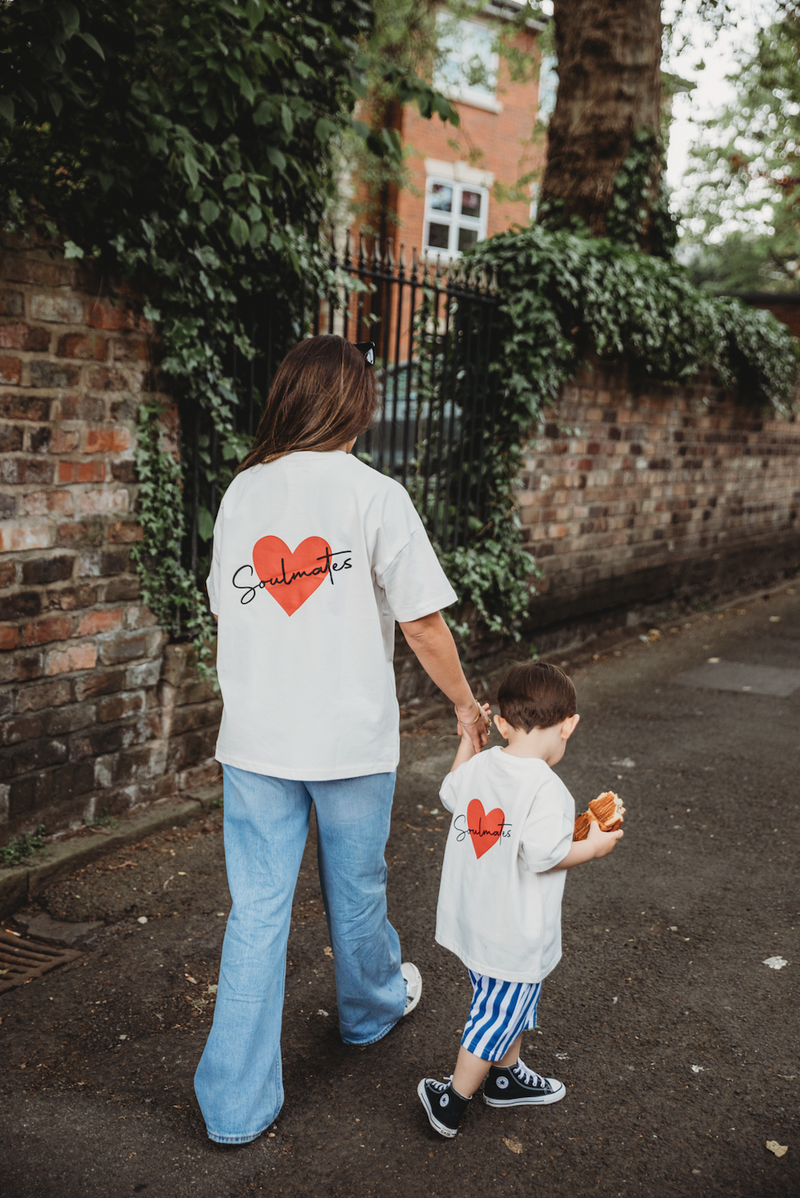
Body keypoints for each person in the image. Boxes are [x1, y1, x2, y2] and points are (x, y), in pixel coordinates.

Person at [193, 334, 490, 1145]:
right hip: (349, 739)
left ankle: (233, 1106)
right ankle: (369, 1011)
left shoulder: (243, 492)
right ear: (356, 407)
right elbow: (422, 623)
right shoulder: (376, 495)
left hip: (256, 737)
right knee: (356, 887)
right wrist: (467, 707)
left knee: (257, 909)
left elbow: (227, 607)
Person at [417, 661, 623, 1138]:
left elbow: (451, 791)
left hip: (476, 919)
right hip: (512, 931)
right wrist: (594, 846)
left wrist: (469, 741)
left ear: (502, 724)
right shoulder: (548, 789)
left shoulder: (483, 764)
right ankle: (452, 1102)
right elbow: (546, 854)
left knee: (502, 1002)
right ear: (569, 725)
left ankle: (505, 1077)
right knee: (495, 1015)